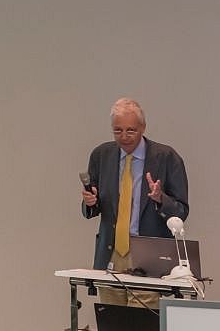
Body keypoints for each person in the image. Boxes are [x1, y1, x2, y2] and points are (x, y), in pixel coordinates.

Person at [81, 98, 189, 308]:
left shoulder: (167, 157)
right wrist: (90, 202)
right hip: (111, 253)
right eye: (117, 130)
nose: (124, 137)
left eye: (130, 130)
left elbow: (182, 211)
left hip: (148, 255)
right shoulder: (101, 155)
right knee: (112, 318)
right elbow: (92, 207)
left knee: (141, 319)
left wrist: (161, 199)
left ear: (143, 127)